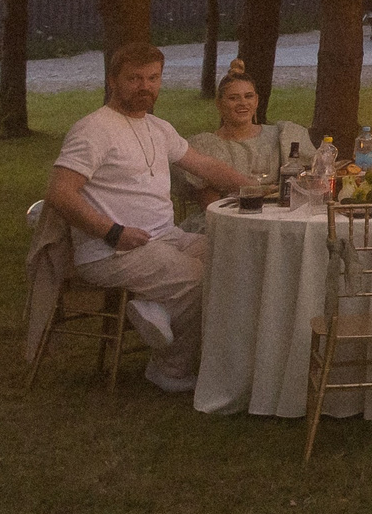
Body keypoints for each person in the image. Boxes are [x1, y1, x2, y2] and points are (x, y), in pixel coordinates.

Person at [45, 43, 252, 392]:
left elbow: (205, 165)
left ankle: (160, 309)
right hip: (111, 250)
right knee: (200, 280)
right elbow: (60, 192)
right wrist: (112, 231)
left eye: (153, 78)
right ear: (113, 81)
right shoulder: (93, 129)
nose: (145, 86)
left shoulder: (158, 127)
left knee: (235, 262)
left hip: (165, 237)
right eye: (135, 79)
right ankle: (169, 368)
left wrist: (261, 189)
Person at [177, 62, 313, 228]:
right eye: (233, 98)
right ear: (219, 103)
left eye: (248, 96)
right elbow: (211, 207)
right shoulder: (206, 146)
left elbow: (309, 184)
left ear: (256, 100)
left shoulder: (281, 136)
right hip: (228, 223)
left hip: (282, 220)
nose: (243, 103)